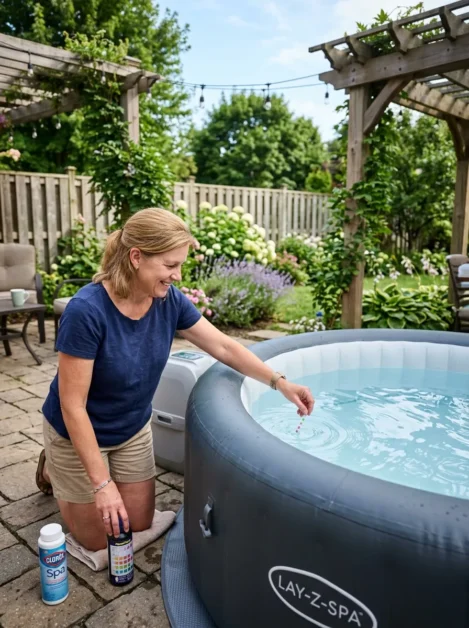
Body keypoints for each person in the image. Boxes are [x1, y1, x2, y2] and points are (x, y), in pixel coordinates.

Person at [36, 208, 314, 551]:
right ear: (136, 257)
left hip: (130, 429)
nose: (177, 275)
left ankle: (88, 476)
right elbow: (72, 405)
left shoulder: (168, 300)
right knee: (96, 541)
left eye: (180, 265)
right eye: (170, 265)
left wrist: (279, 382)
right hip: (76, 431)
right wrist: (102, 485)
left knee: (136, 524)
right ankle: (52, 467)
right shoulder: (87, 312)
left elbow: (224, 346)